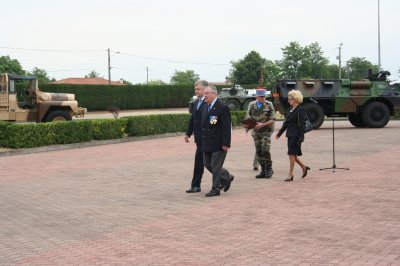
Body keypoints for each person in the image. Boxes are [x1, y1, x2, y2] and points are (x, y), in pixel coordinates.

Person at [201, 86, 234, 197]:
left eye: (206, 93)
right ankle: (226, 176)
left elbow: (226, 127)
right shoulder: (206, 106)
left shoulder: (222, 107)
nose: (204, 95)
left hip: (218, 142)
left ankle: (215, 189)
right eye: (204, 93)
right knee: (207, 163)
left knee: (215, 166)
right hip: (207, 142)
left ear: (214, 93)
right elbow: (207, 124)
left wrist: (226, 143)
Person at [275, 90, 311, 181]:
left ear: (295, 99)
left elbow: (302, 125)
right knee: (292, 154)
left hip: (296, 135)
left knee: (291, 154)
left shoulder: (300, 110)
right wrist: (279, 134)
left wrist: (300, 137)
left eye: (290, 98)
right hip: (290, 135)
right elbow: (286, 123)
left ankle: (290, 174)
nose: (288, 100)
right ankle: (304, 167)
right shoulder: (291, 110)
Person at [244, 89, 276, 179]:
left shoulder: (269, 105)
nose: (263, 98)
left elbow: (273, 119)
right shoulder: (252, 105)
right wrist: (247, 125)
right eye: (261, 96)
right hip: (255, 132)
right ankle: (263, 170)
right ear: (256, 97)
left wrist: (263, 124)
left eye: (264, 96)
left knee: (265, 150)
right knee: (259, 151)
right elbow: (248, 116)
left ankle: (269, 168)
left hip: (266, 131)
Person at [184, 80, 208, 193]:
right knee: (201, 161)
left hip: (208, 137)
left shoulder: (209, 102)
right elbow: (193, 119)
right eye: (195, 89)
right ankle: (195, 186)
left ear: (205, 90)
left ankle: (225, 176)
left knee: (208, 162)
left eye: (198, 89)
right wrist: (188, 133)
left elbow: (213, 121)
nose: (196, 91)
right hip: (199, 138)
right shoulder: (196, 102)